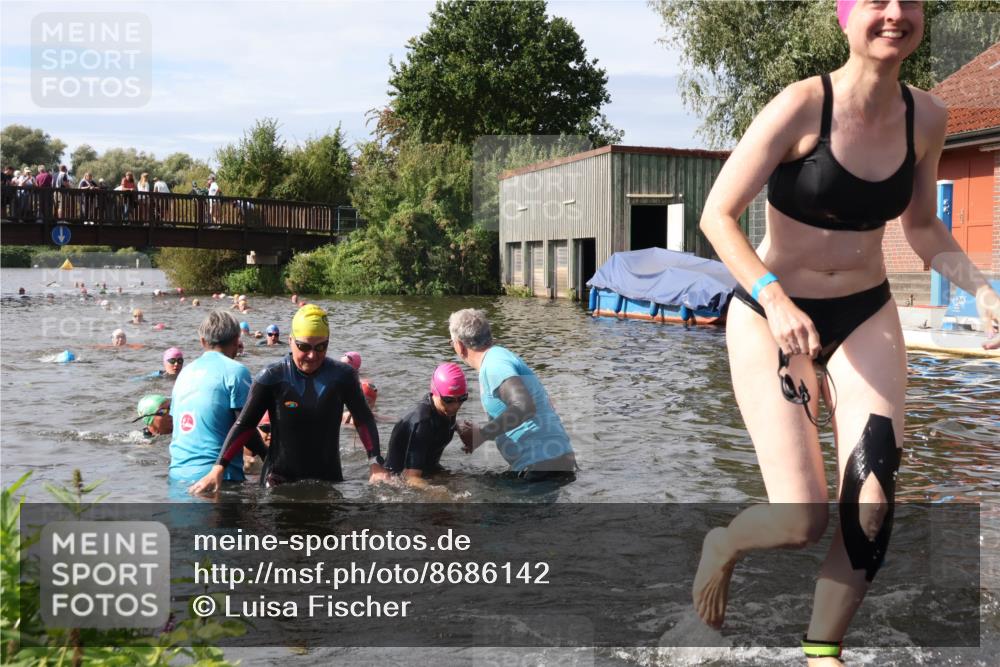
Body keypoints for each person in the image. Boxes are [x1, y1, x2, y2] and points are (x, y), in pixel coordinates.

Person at [691, 2, 1000, 663]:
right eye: (876, 2)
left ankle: (822, 650)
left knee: (873, 502)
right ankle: (725, 543)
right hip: (772, 315)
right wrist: (774, 299)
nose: (895, 14)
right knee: (800, 520)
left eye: (908, 2)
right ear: (846, 17)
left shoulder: (928, 118)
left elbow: (922, 226)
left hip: (865, 312)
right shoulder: (802, 106)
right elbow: (717, 215)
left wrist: (979, 289)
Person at [187, 304, 388, 493]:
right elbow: (245, 424)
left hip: (328, 480)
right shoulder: (272, 377)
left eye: (320, 347)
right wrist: (219, 468)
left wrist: (375, 463)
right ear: (291, 341)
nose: (312, 355)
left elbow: (364, 418)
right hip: (277, 482)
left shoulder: (343, 376)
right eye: (304, 347)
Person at [448, 308, 576, 482]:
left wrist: (481, 434)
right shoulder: (500, 357)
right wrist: (482, 431)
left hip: (541, 464)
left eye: (451, 343)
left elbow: (524, 406)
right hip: (554, 459)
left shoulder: (494, 365)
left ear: (459, 346)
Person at [168, 310, 265, 484]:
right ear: (236, 340)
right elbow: (245, 427)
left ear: (202, 341)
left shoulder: (184, 374)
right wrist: (269, 456)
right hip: (218, 478)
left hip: (177, 475)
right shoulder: (236, 371)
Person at [384, 363, 467, 488]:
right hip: (398, 481)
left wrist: (459, 427)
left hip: (429, 470)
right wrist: (442, 494)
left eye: (462, 398)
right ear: (435, 392)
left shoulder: (444, 409)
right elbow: (411, 478)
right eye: (448, 400)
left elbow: (441, 424)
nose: (455, 406)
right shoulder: (422, 423)